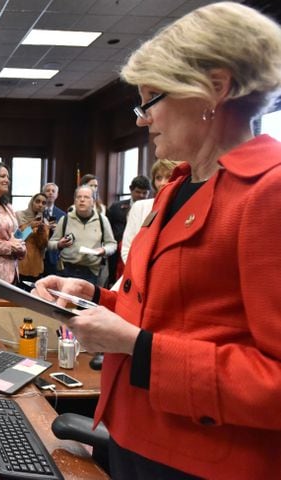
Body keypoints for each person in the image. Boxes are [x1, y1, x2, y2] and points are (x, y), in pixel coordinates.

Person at [34, 3, 281, 478]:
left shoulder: (266, 194)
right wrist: (93, 298)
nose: (142, 119)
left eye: (152, 99)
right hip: (134, 438)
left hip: (202, 460)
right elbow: (170, 311)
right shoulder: (176, 190)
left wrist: (138, 347)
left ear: (215, 87)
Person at [47, 186, 116, 285]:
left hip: (91, 273)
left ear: (93, 201)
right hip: (66, 271)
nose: (82, 200)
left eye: (86, 197)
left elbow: (112, 244)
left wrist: (104, 250)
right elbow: (50, 244)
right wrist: (59, 244)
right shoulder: (65, 219)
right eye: (79, 197)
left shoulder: (102, 220)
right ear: (75, 201)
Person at [120, 160, 179, 265]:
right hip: (138, 273)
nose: (162, 183)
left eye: (169, 176)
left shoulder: (185, 208)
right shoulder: (140, 207)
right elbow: (127, 249)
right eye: (158, 178)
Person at [106, 175, 151, 285]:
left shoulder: (152, 208)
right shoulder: (116, 207)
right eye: (138, 192)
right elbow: (108, 229)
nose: (141, 196)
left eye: (144, 193)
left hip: (138, 252)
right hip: (116, 255)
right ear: (131, 189)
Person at [15, 193, 49, 284]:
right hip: (20, 262)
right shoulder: (19, 215)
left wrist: (42, 230)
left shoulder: (44, 222)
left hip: (36, 265)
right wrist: (30, 226)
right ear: (32, 202)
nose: (40, 205)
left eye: (43, 203)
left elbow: (43, 245)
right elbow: (17, 238)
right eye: (37, 201)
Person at [41, 182, 66, 276]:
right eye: (48, 191)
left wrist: (58, 230)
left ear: (57, 195)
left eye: (53, 191)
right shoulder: (36, 211)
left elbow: (66, 236)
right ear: (43, 194)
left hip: (54, 256)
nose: (50, 193)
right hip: (38, 255)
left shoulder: (62, 215)